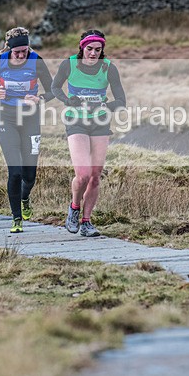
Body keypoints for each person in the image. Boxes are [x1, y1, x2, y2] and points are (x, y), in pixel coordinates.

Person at [51, 29, 125, 237]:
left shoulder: (109, 68)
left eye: (98, 50)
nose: (93, 53)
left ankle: (86, 221)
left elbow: (121, 100)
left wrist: (108, 106)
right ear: (82, 47)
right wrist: (68, 100)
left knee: (95, 177)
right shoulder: (69, 64)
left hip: (100, 122)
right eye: (89, 49)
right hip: (76, 121)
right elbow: (55, 88)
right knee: (82, 175)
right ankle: (74, 208)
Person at [0, 27, 54, 233]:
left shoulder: (36, 61)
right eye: (17, 52)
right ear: (9, 49)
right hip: (7, 119)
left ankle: (25, 198)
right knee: (15, 172)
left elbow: (53, 90)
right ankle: (16, 219)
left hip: (30, 121)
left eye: (24, 51)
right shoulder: (0, 60)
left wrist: (39, 98)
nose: (21, 55)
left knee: (29, 175)